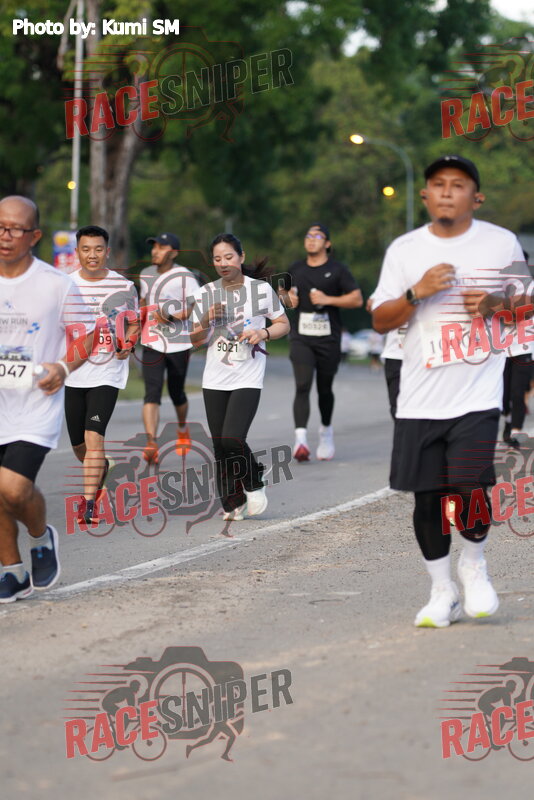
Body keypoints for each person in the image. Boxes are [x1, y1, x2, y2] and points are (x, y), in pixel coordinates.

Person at [372, 154, 527, 628]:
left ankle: (473, 564)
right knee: (428, 499)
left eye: (458, 184)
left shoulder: (501, 242)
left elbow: (527, 306)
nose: (446, 191)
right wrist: (416, 293)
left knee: (470, 486)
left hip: (477, 394)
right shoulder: (404, 250)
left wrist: (497, 303)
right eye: (438, 183)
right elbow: (380, 319)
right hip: (419, 397)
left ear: (476, 198)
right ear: (425, 195)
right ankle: (442, 591)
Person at [0, 196, 92, 602]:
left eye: (15, 229)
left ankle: (40, 537)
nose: (5, 236)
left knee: (13, 488)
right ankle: (13, 570)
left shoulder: (56, 284)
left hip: (36, 403)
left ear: (34, 235)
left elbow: (88, 335)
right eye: (0, 227)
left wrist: (64, 368)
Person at [190, 233, 289, 520]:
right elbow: (195, 339)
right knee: (220, 444)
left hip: (248, 375)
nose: (223, 263)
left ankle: (254, 479)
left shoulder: (260, 290)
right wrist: (206, 319)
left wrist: (263, 332)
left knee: (233, 438)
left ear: (241, 257)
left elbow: (283, 323)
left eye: (229, 257)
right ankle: (233, 502)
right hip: (215, 377)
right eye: (217, 259)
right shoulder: (206, 293)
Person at [64, 225, 138, 524]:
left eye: (98, 249)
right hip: (73, 373)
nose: (92, 255)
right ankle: (101, 469)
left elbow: (134, 323)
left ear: (107, 252)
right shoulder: (65, 285)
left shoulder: (123, 287)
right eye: (86, 249)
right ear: (77, 252)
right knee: (79, 446)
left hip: (108, 372)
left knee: (93, 436)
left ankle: (88, 505)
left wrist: (128, 344)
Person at [279, 224, 362, 462]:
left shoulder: (338, 270)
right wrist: (288, 298)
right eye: (308, 235)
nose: (311, 239)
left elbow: (356, 299)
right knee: (302, 384)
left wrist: (328, 299)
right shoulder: (295, 268)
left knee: (324, 389)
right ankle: (301, 440)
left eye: (317, 236)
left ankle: (326, 431)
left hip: (329, 338)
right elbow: (281, 291)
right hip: (301, 337)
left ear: (327, 243)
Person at [139, 233, 200, 463]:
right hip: (152, 342)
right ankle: (151, 443)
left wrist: (171, 316)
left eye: (161, 247)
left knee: (177, 392)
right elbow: (143, 303)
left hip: (178, 344)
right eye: (154, 246)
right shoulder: (146, 274)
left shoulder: (185, 276)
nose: (155, 251)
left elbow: (195, 307)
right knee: (151, 392)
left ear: (173, 253)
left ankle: (182, 428)